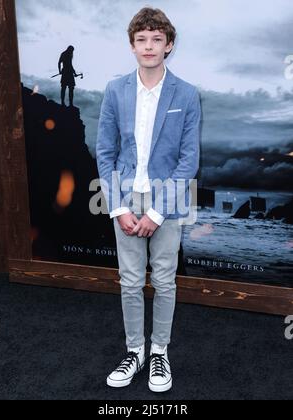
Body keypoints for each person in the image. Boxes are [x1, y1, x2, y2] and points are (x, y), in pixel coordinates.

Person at [96, 7, 201, 393]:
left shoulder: (187, 94)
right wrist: (120, 207)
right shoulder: (115, 90)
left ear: (169, 45)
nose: (149, 46)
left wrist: (156, 213)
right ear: (132, 45)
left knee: (165, 281)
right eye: (142, 40)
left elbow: (189, 160)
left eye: (157, 39)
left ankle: (160, 352)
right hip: (125, 197)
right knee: (128, 281)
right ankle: (135, 350)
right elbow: (105, 151)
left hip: (167, 203)